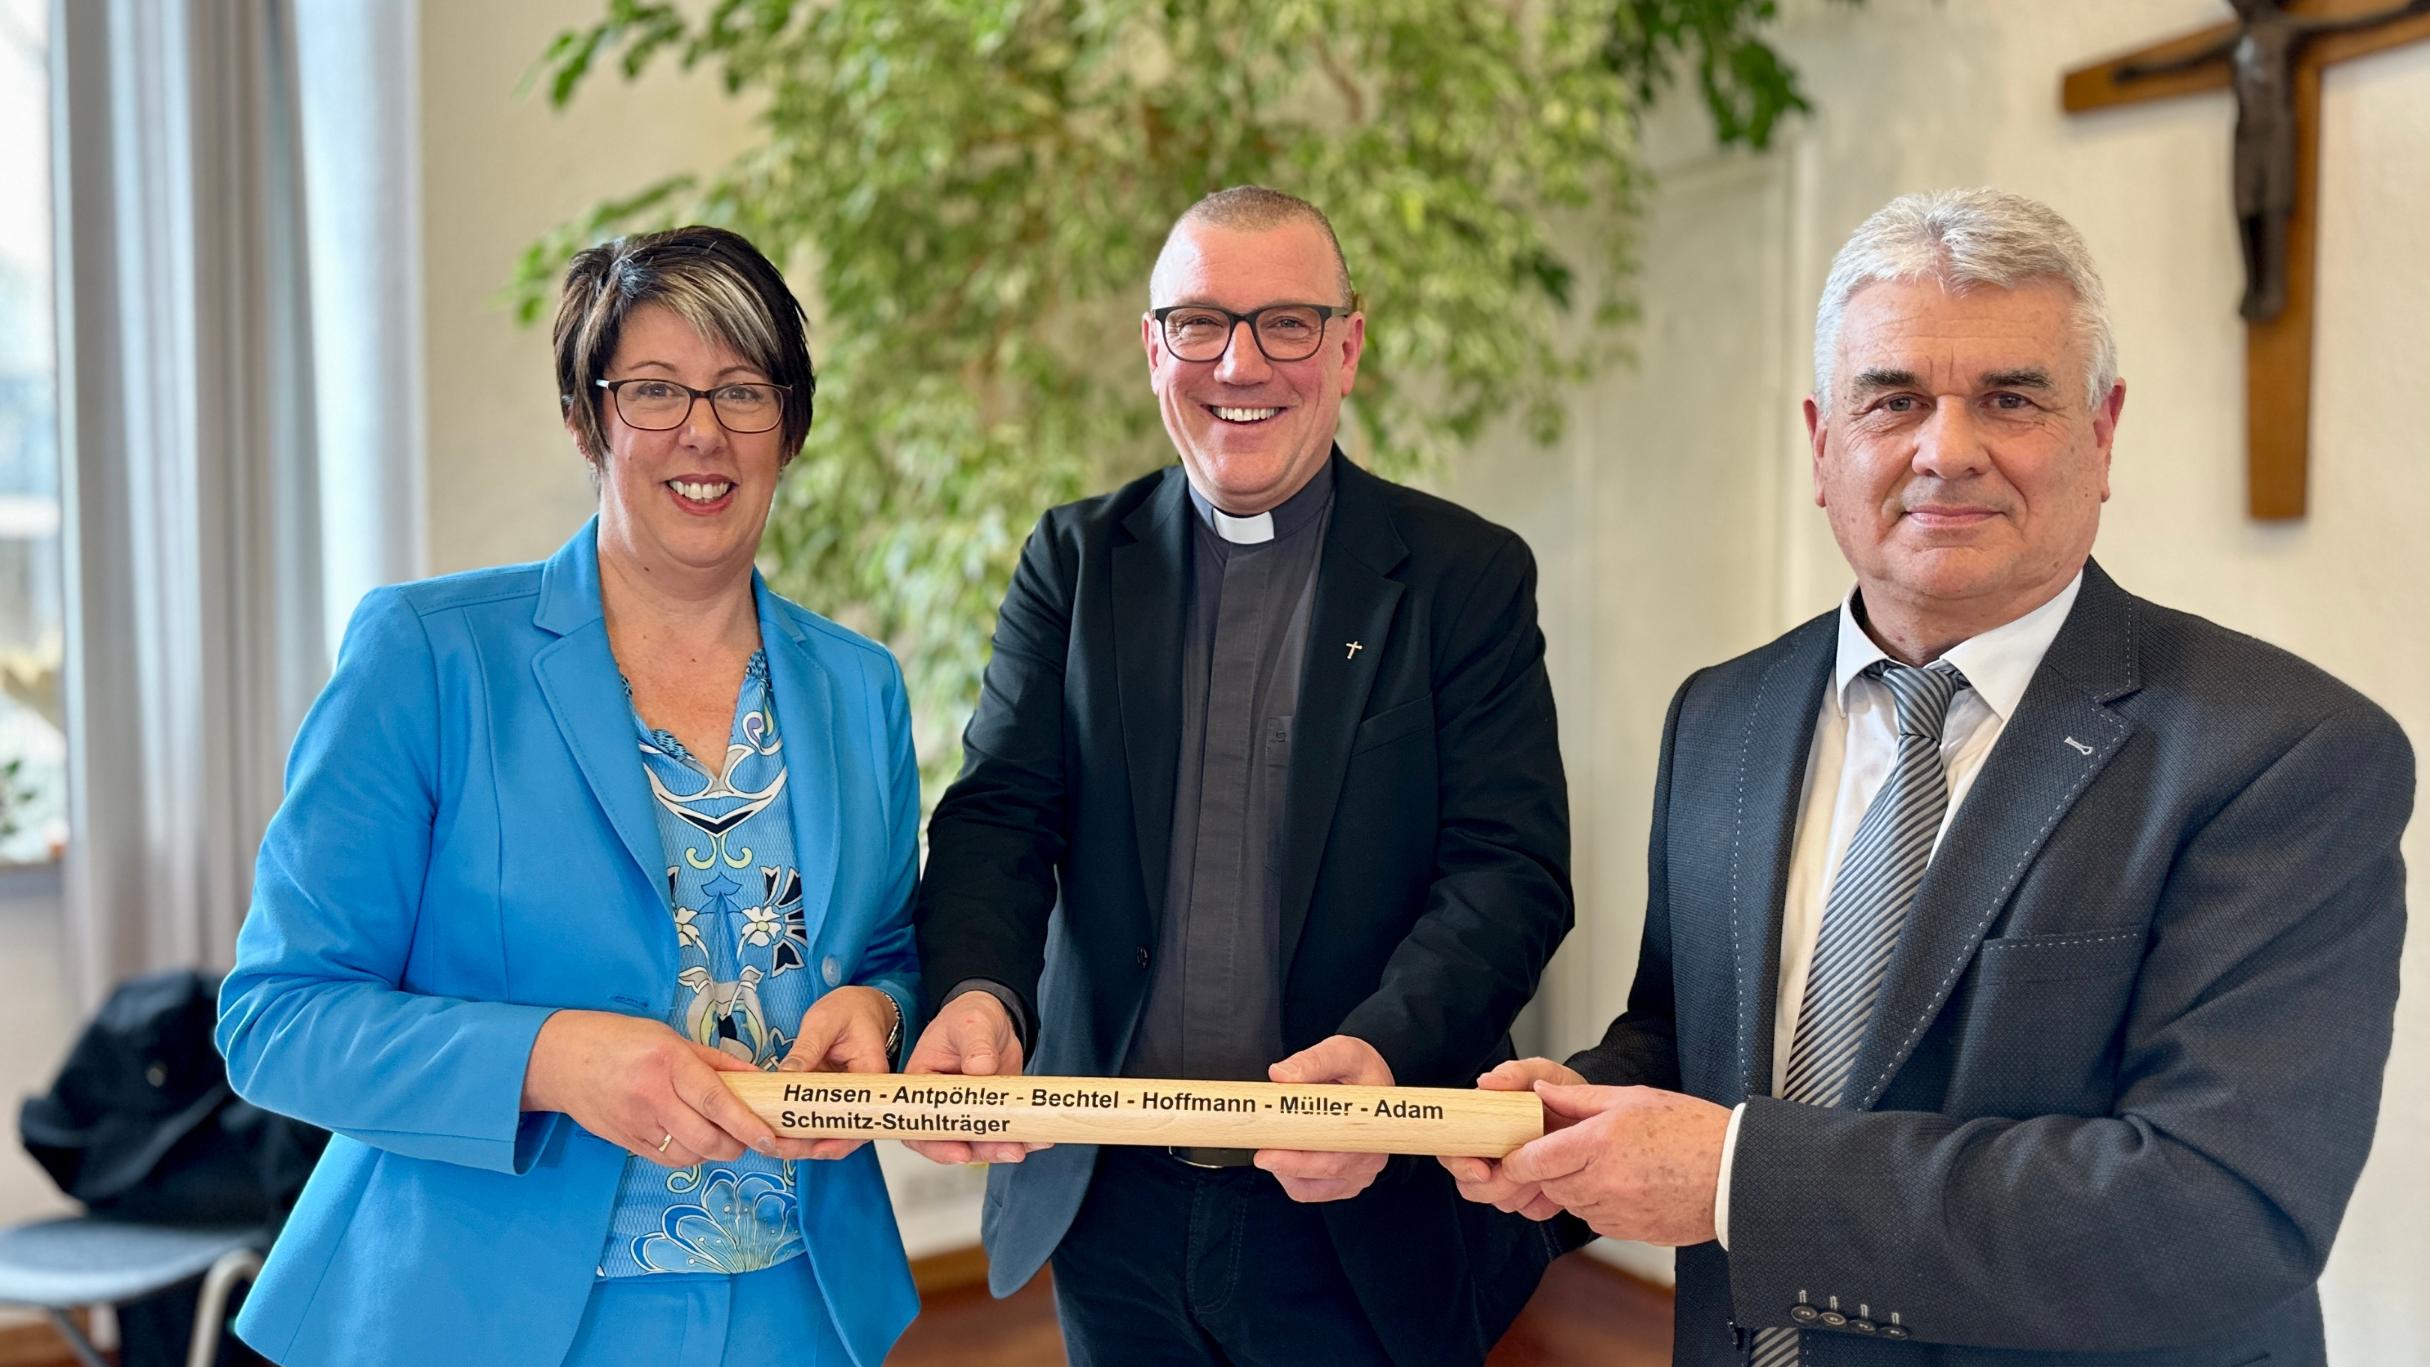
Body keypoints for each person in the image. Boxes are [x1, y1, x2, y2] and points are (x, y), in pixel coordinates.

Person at [1444, 187, 2413, 1367]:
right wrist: (1554, 1114)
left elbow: (2218, 1217)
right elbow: (1686, 1035)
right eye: (1893, 398)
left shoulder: (2285, 751)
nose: (1945, 448)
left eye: (2010, 397)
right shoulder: (1724, 715)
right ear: (1821, 442)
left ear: (2103, 434)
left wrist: (1738, 1180)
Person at [216, 226, 924, 1367]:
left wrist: (880, 1013)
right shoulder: (430, 656)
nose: (703, 429)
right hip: (479, 1312)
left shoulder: (859, 686)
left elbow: (889, 944)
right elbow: (278, 1017)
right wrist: (557, 1058)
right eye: (654, 390)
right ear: (586, 418)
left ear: (789, 428)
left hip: (803, 1308)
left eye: (743, 390)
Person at [907, 185, 1574, 1366]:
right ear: (1153, 346)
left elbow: (1505, 873)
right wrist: (976, 993)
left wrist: (1381, 1056)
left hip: (1354, 1204)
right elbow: (1000, 814)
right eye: (1202, 322)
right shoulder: (1073, 561)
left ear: (1349, 345)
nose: (1240, 362)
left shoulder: (1463, 575)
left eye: (1288, 324)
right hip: (1114, 1202)